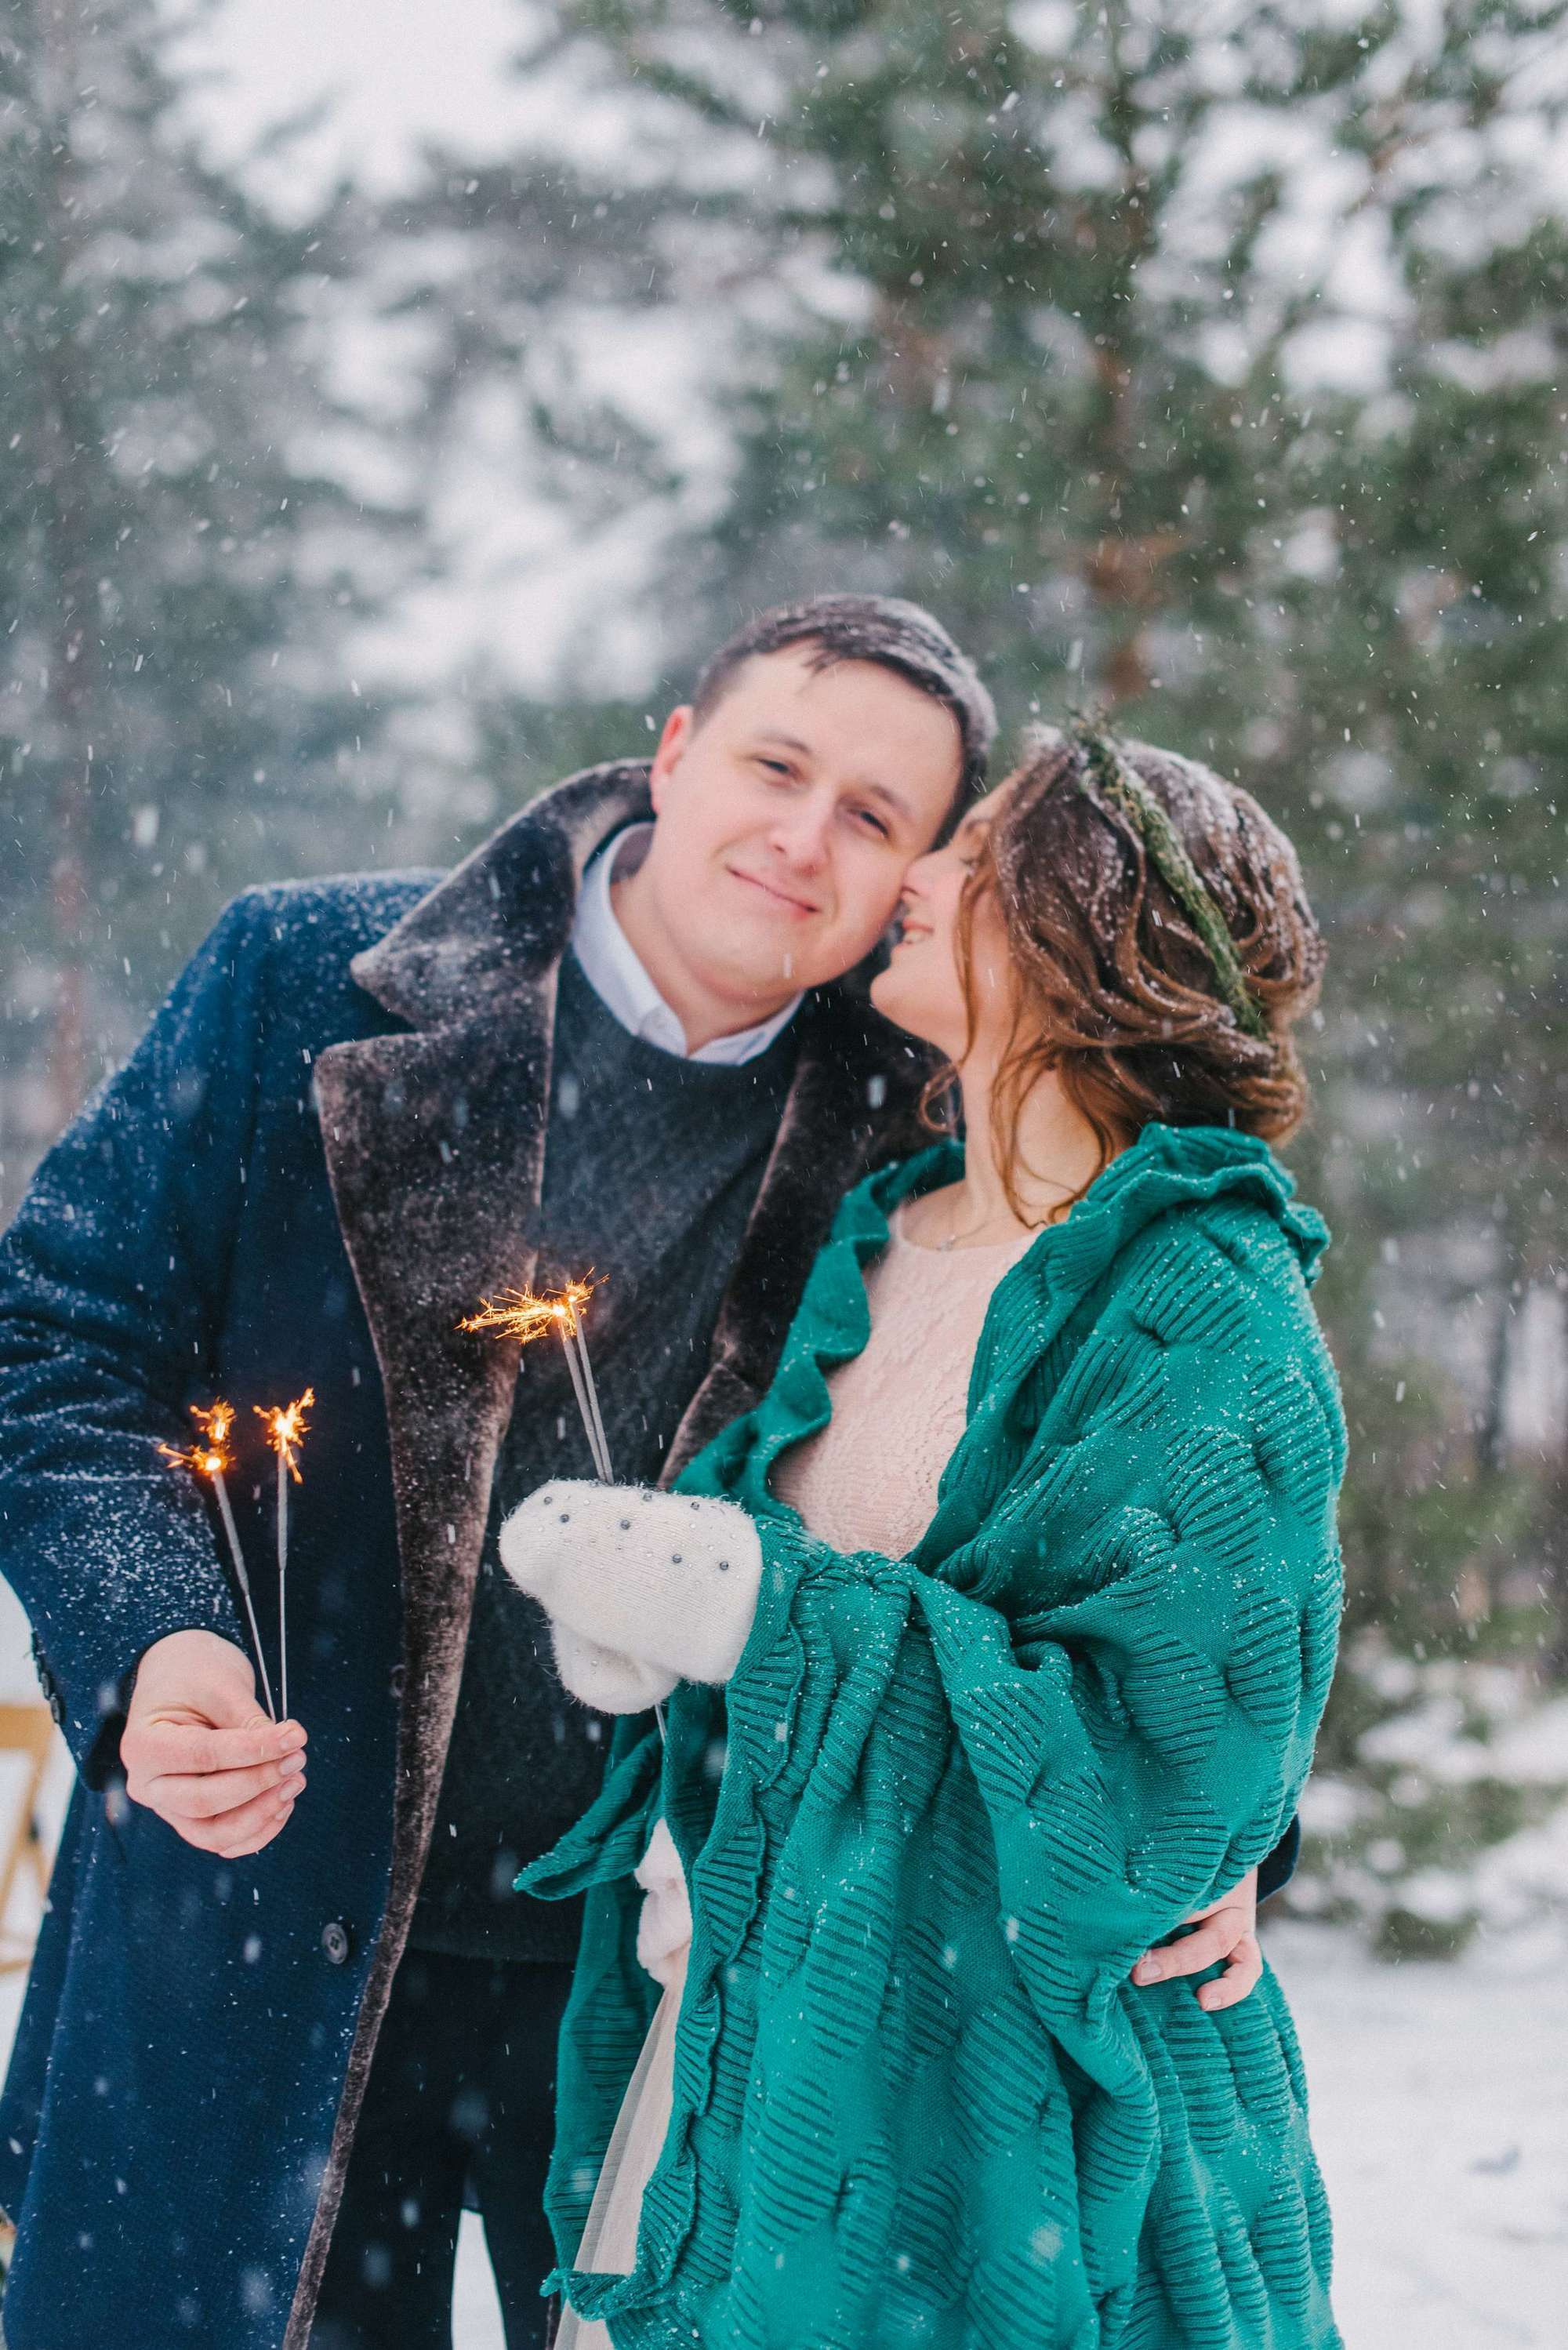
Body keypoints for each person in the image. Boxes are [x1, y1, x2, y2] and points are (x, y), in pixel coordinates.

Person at [0, 601, 1284, 2350]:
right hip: (260, 1937)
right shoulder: (301, 981)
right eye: (776, 764)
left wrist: (1214, 1824)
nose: (801, 836)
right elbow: (58, 1346)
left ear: (916, 877)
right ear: (674, 752)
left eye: (874, 817)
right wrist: (153, 1642)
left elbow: (1142, 1470)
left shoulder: (933, 1111)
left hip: (666, 1984)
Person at [503, 719, 1345, 2348]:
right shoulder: (882, 1227)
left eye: (975, 851)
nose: (923, 870)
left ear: (1075, 934)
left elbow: (1159, 1775)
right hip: (772, 2060)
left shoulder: (1205, 1302)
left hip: (1024, 2126)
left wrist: (755, 1605)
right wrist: (678, 1648)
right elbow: (821, 1641)